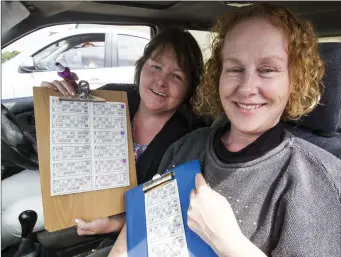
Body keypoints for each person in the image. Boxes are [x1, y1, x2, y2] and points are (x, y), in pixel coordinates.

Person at [108, 3, 341, 257]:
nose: (246, 87)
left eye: (267, 70)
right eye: (235, 69)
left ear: (293, 80)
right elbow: (139, 231)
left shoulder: (317, 181)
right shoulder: (185, 147)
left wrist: (227, 242)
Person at [1, 28, 204, 250]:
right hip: (68, 179)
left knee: (10, 219)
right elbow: (67, 133)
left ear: (189, 88)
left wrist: (113, 223)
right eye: (155, 66)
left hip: (98, 208)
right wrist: (55, 99)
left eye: (176, 76)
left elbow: (169, 211)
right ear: (142, 67)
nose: (161, 81)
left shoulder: (186, 139)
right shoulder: (113, 96)